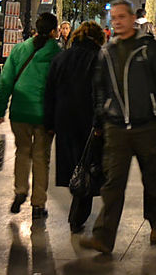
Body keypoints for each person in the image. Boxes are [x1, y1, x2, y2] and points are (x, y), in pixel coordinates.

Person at [79, 2, 156, 254]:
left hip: (146, 126)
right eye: (113, 18)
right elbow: (98, 88)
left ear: (133, 19)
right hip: (116, 127)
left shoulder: (148, 48)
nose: (117, 21)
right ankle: (103, 237)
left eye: (122, 17)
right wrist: (102, 115)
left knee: (151, 179)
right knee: (112, 184)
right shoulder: (106, 51)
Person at [0, 12, 61, 219]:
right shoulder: (57, 53)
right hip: (44, 115)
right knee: (42, 158)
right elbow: (61, 86)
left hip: (20, 112)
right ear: (54, 31)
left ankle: (20, 190)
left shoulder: (19, 49)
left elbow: (5, 81)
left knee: (22, 152)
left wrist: (0, 109)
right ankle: (38, 204)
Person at [44, 22, 105, 235]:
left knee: (73, 165)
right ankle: (78, 213)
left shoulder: (61, 57)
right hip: (88, 120)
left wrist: (49, 123)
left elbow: (49, 90)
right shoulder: (98, 58)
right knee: (87, 165)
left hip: (63, 119)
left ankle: (77, 208)